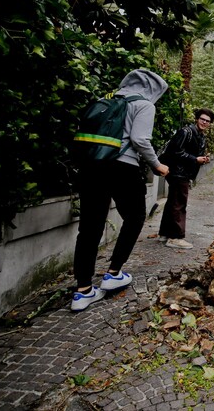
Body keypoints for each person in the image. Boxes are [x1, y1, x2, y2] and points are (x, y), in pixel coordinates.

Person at [71, 69, 170, 311]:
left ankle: (83, 291)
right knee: (135, 217)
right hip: (122, 167)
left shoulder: (108, 101)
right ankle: (114, 272)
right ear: (153, 88)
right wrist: (156, 165)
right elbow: (140, 140)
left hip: (91, 166)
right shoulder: (144, 105)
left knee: (90, 226)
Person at [157, 108, 214, 249]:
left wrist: (201, 159)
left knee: (173, 202)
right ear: (197, 119)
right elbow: (175, 152)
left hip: (183, 173)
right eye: (202, 119)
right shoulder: (186, 132)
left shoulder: (200, 135)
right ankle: (175, 237)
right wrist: (195, 159)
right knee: (179, 203)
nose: (204, 122)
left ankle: (164, 234)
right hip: (178, 172)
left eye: (207, 121)